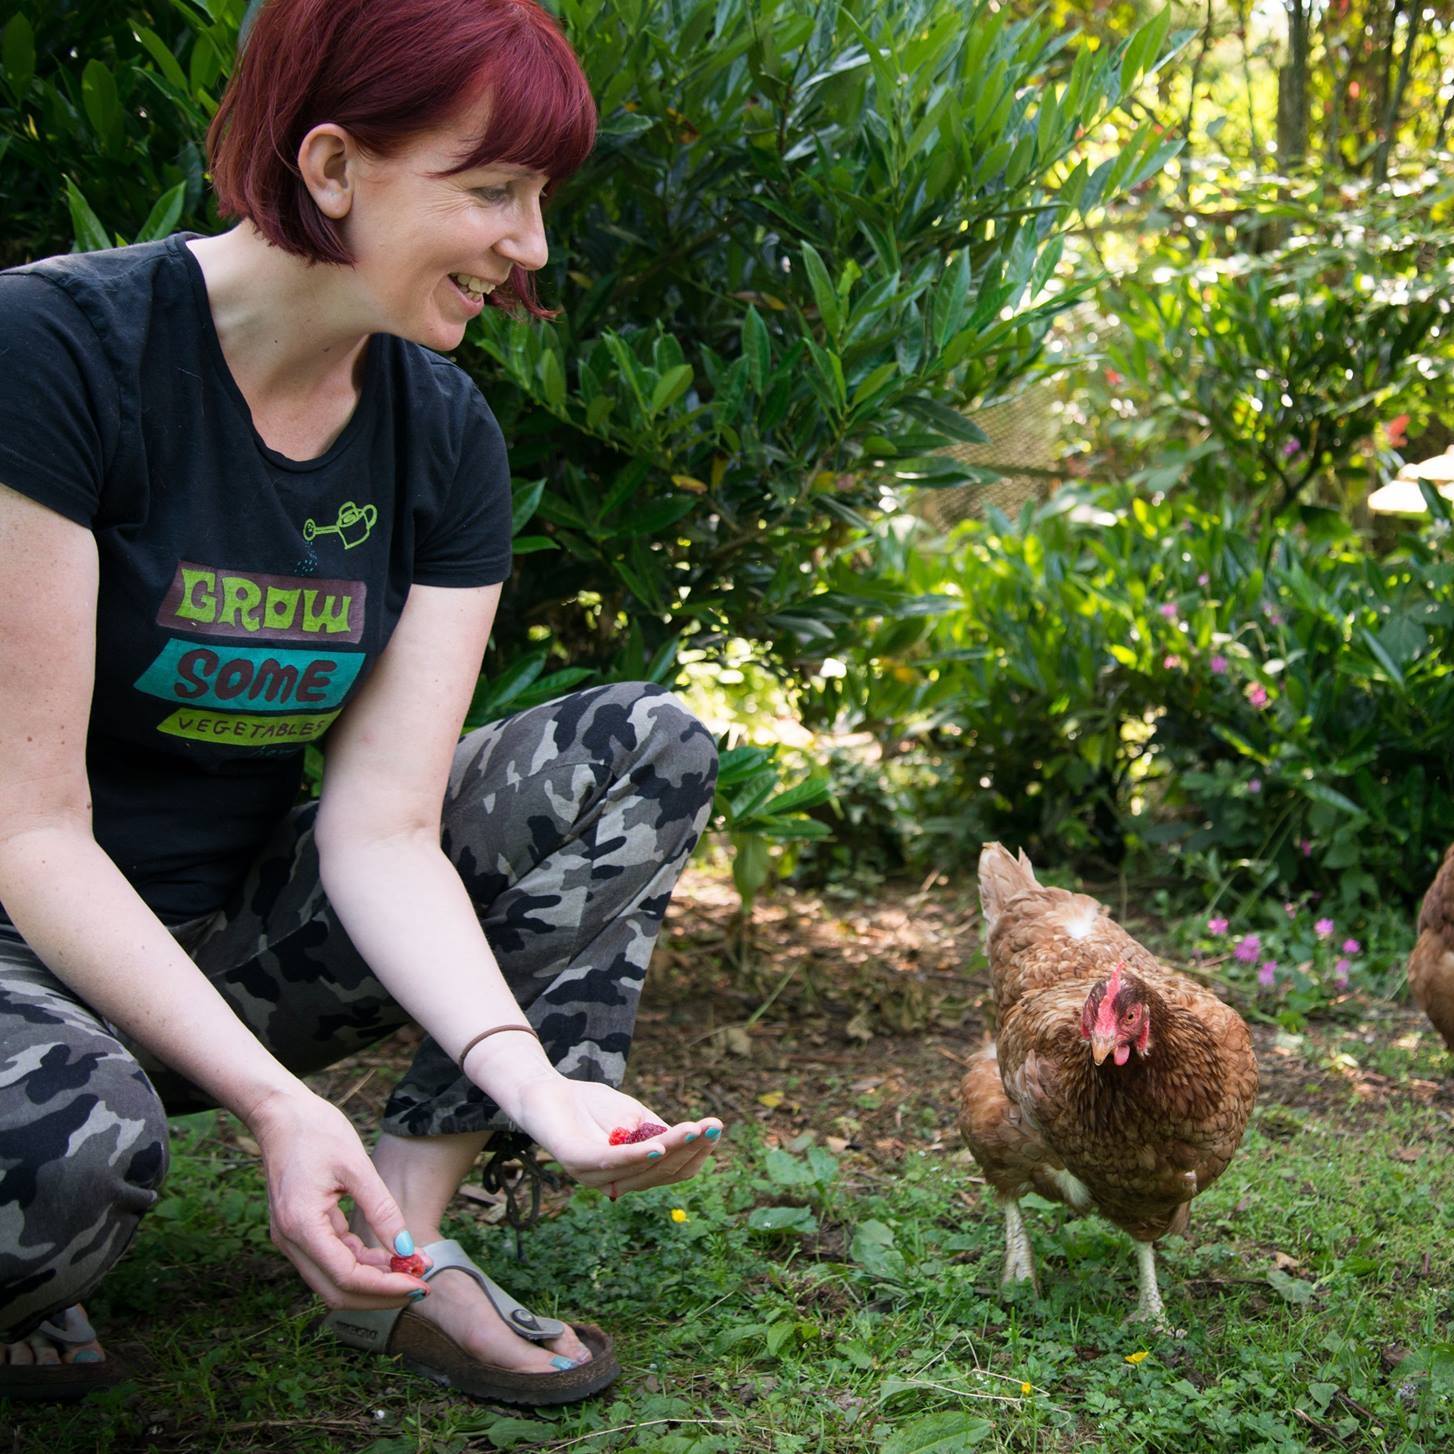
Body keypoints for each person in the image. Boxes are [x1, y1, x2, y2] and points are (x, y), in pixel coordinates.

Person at [0, 0, 722, 1407]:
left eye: (540, 196)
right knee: (69, 1160)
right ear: (331, 168)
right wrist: (275, 1100)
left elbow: (385, 830)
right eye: (492, 189)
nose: (533, 245)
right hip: (24, 932)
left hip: (225, 933)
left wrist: (527, 1080)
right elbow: (31, 831)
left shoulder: (442, 437)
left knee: (640, 748)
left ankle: (406, 1235)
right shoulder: (56, 351)